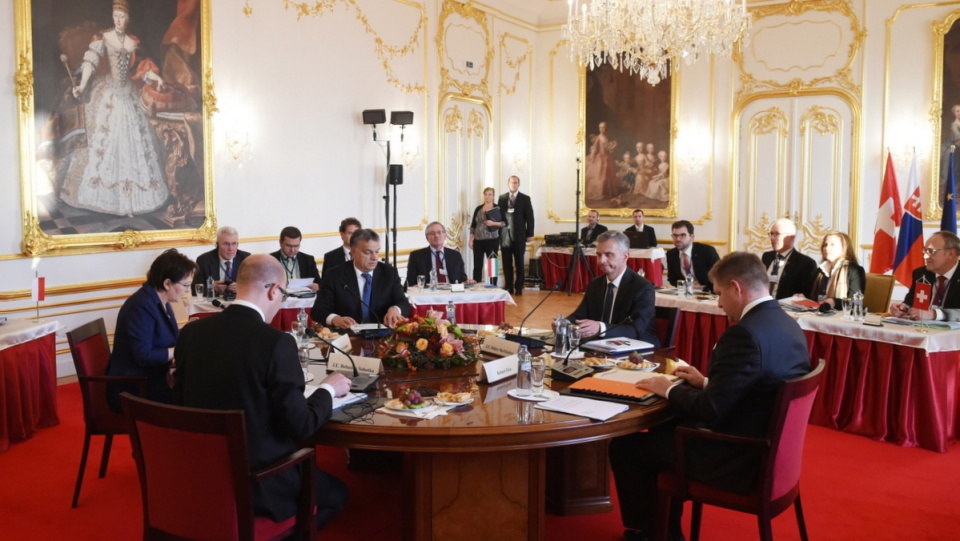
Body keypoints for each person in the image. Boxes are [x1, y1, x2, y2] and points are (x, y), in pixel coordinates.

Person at [609, 252, 811, 541]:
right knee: (666, 427)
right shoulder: (788, 324)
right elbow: (758, 386)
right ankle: (666, 531)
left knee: (626, 447)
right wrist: (704, 381)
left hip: (737, 459)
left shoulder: (744, 335)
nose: (718, 303)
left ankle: (653, 533)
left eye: (719, 294)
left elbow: (712, 410)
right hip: (771, 453)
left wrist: (665, 387)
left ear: (736, 288)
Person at [173, 255, 351, 528]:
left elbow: (181, 401)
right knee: (339, 494)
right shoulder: (276, 343)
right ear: (273, 291)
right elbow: (300, 426)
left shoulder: (191, 333)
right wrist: (328, 388)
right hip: (258, 481)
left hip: (199, 474)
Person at [56, 0, 169, 217]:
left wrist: (156, 77)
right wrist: (80, 85)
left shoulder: (132, 42)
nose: (118, 19)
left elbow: (139, 70)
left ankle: (134, 202)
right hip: (107, 91)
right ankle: (109, 201)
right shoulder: (103, 37)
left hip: (128, 93)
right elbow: (91, 62)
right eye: (115, 15)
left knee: (134, 141)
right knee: (105, 138)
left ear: (127, 19)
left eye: (122, 16)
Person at [106, 249, 196, 412]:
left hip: (152, 377)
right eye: (185, 285)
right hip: (134, 387)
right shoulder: (141, 306)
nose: (187, 290)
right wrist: (178, 351)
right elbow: (144, 356)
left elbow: (165, 337)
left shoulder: (160, 300)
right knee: (192, 398)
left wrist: (190, 331)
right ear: (167, 283)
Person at [569, 232, 659, 345]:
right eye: (599, 255)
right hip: (599, 350)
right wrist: (565, 323)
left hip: (637, 353)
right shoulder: (595, 284)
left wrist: (600, 328)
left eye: (609, 255)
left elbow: (636, 331)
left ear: (625, 257)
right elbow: (579, 316)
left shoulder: (643, 288)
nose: (601, 261)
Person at [312, 228, 411, 328]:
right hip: (347, 335)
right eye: (368, 252)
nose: (374, 257)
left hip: (382, 335)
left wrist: (395, 309)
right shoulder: (335, 275)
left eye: (377, 252)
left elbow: (403, 303)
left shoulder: (389, 273)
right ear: (353, 251)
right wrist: (335, 319)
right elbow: (318, 310)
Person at [891, 231, 960, 321]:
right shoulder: (921, 274)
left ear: (951, 254)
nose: (925, 256)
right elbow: (910, 303)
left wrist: (935, 314)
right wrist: (902, 308)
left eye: (932, 251)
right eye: (925, 251)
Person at [805, 232, 865, 308]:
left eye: (832, 244)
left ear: (844, 248)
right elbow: (813, 296)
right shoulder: (821, 270)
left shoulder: (855, 270)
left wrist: (834, 302)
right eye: (825, 245)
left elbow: (855, 301)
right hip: (818, 313)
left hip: (842, 316)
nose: (826, 248)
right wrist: (803, 297)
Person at [762, 218, 817, 299]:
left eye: (777, 234)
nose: (772, 238)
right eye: (771, 234)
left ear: (792, 237)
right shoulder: (766, 257)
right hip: (763, 307)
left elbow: (805, 296)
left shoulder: (806, 264)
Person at [498, 175, 535, 295]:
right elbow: (499, 216)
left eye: (515, 183)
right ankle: (509, 286)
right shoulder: (502, 198)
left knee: (519, 262)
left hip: (519, 236)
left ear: (518, 184)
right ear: (508, 184)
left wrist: (530, 233)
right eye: (511, 182)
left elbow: (530, 217)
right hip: (505, 236)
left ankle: (519, 287)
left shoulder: (525, 198)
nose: (513, 184)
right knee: (506, 262)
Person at [406, 222, 471, 286]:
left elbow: (462, 279)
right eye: (432, 233)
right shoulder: (416, 256)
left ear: (445, 236)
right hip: (429, 293)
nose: (436, 235)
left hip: (451, 292)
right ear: (427, 238)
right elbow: (410, 282)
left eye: (439, 232)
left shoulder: (455, 255)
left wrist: (467, 282)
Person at [192, 226, 250, 297]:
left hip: (238, 303)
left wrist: (241, 288)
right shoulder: (204, 260)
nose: (231, 249)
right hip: (213, 305)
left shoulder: (246, 259)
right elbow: (195, 290)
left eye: (234, 244)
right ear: (217, 245)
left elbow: (256, 287)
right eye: (226, 244)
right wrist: (211, 288)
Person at [665, 220, 720, 292]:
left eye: (682, 235)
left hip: (708, 293)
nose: (678, 239)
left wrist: (704, 288)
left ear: (692, 237)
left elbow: (719, 277)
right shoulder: (671, 254)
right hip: (685, 293)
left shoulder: (707, 251)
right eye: (675, 236)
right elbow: (672, 279)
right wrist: (687, 285)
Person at [469, 187, 504, 283]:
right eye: (486, 194)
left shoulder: (497, 208)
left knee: (492, 264)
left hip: (492, 240)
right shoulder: (478, 208)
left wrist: (493, 223)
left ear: (493, 196)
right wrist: (471, 239)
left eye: (490, 194)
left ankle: (493, 287)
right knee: (477, 265)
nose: (487, 196)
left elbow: (504, 223)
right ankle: (476, 286)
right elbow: (473, 225)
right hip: (478, 240)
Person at [270, 226, 321, 292]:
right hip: (279, 299)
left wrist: (317, 286)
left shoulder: (308, 260)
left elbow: (320, 283)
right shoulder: (270, 259)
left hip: (304, 300)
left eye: (296, 246)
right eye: (288, 246)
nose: (292, 250)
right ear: (280, 243)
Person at [585, 121, 619, 201]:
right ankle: (600, 193)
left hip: (606, 157)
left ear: (606, 128)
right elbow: (595, 148)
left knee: (607, 175)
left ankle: (606, 192)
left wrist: (611, 148)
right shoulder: (598, 137)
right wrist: (592, 157)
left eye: (603, 127)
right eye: (600, 127)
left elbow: (608, 147)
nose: (601, 129)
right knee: (600, 175)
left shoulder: (607, 136)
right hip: (600, 158)